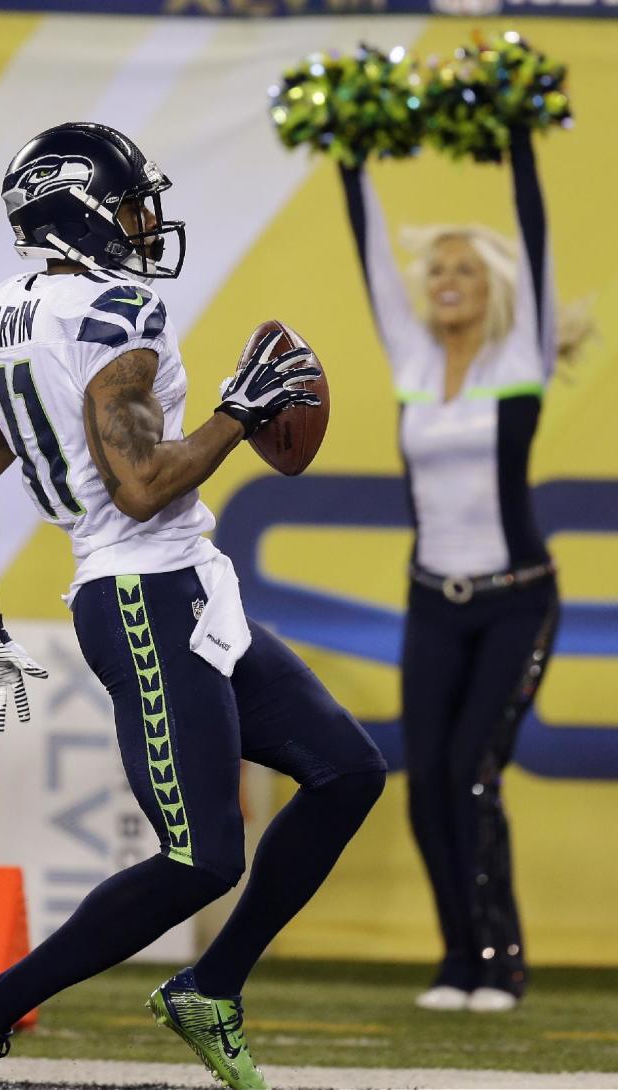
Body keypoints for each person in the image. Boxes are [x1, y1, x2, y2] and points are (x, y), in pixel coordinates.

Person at [0, 121, 387, 1090]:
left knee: (346, 770)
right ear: (83, 212)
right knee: (202, 857)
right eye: (132, 202)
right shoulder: (117, 310)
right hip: (142, 591)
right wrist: (238, 412)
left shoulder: (12, 311)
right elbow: (139, 484)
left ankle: (211, 987)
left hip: (182, 587)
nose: (145, 221)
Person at [337, 129, 582, 1012]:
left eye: (465, 270)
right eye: (436, 268)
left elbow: (537, 228)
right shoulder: (410, 360)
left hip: (518, 602)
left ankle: (501, 962)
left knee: (474, 772)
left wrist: (517, 137)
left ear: (495, 290)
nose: (445, 280)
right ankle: (456, 962)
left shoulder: (521, 359)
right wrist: (347, 154)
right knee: (427, 779)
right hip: (432, 600)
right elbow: (371, 255)